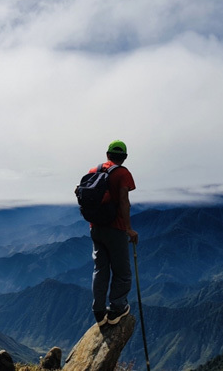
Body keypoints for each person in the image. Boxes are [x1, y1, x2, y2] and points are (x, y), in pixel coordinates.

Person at [88, 140, 138, 326]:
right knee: (122, 272)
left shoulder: (94, 171)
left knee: (100, 270)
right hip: (115, 229)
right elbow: (124, 202)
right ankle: (117, 308)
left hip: (95, 228)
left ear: (108, 155)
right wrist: (129, 229)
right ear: (124, 157)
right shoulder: (123, 174)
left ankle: (99, 312)